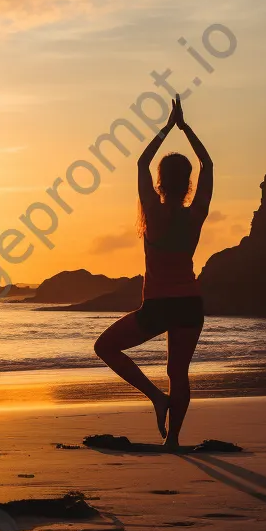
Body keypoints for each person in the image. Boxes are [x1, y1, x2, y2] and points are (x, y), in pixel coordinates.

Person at [94, 95, 213, 447]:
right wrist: (186, 128)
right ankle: (173, 439)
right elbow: (207, 163)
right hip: (190, 303)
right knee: (178, 373)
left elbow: (141, 162)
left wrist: (166, 128)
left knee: (106, 347)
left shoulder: (152, 212)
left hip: (159, 305)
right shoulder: (196, 215)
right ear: (187, 183)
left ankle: (156, 398)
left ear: (160, 183)